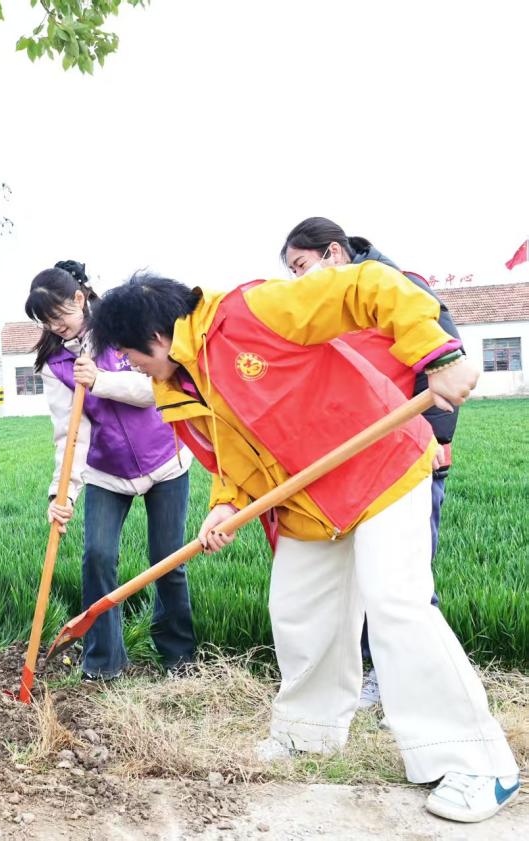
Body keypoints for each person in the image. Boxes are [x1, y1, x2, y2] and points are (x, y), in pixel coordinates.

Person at [91, 266, 519, 824]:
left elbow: (368, 286)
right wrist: (226, 502)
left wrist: (436, 356)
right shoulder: (175, 388)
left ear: (156, 336)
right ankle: (309, 734)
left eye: (129, 355)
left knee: (396, 604)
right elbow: (231, 453)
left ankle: (477, 761)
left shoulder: (251, 314)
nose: (132, 368)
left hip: (380, 469)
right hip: (308, 505)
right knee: (298, 612)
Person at [280, 216, 462, 709]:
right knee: (364, 579)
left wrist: (435, 440)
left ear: (334, 253)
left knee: (403, 586)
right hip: (357, 466)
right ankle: (375, 680)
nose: (299, 280)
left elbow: (443, 364)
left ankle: (418, 691)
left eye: (302, 266)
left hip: (408, 459)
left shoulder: (402, 289)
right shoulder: (333, 310)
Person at [25, 260, 195, 680]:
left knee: (167, 560)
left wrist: (100, 380)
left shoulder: (119, 329)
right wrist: (60, 496)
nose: (56, 326)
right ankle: (104, 662)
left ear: (79, 299)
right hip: (106, 471)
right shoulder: (54, 365)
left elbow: (155, 388)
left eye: (60, 315)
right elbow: (70, 435)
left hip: (164, 460)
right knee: (97, 558)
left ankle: (179, 657)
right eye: (46, 322)